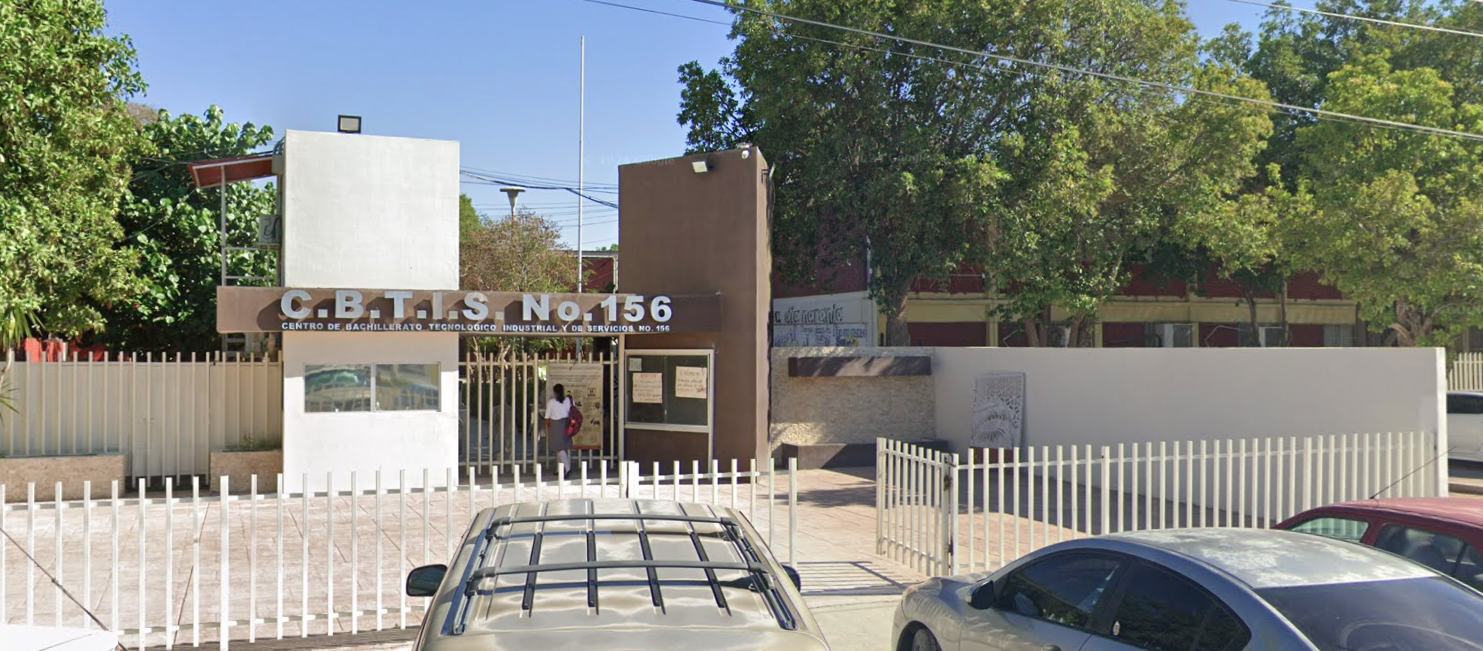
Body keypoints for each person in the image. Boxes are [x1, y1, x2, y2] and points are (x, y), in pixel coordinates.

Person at [545, 383, 574, 477]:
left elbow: (547, 417)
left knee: (559, 448)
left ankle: (568, 469)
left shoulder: (551, 402)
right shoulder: (568, 400)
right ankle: (559, 469)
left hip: (555, 425)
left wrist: (548, 427)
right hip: (566, 424)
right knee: (562, 448)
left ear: (554, 392)